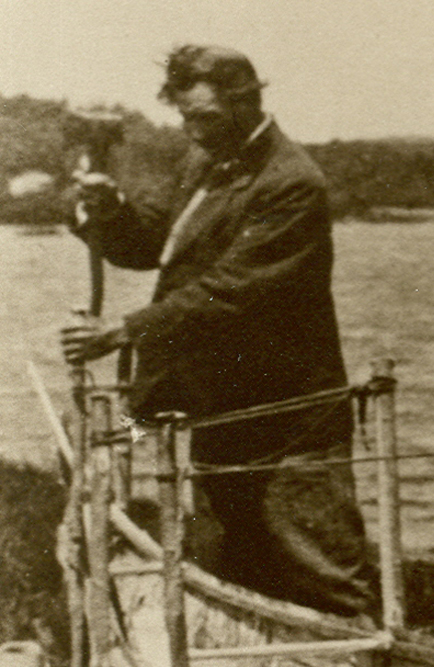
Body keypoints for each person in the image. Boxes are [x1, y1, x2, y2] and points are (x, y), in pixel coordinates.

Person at [61, 45, 375, 619]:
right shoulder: (205, 159)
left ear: (247, 101)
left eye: (203, 117)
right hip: (219, 404)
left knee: (322, 567)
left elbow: (230, 291)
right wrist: (108, 212)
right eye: (184, 116)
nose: (192, 130)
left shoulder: (292, 183)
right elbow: (158, 242)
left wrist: (123, 332)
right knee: (229, 563)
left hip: (288, 418)